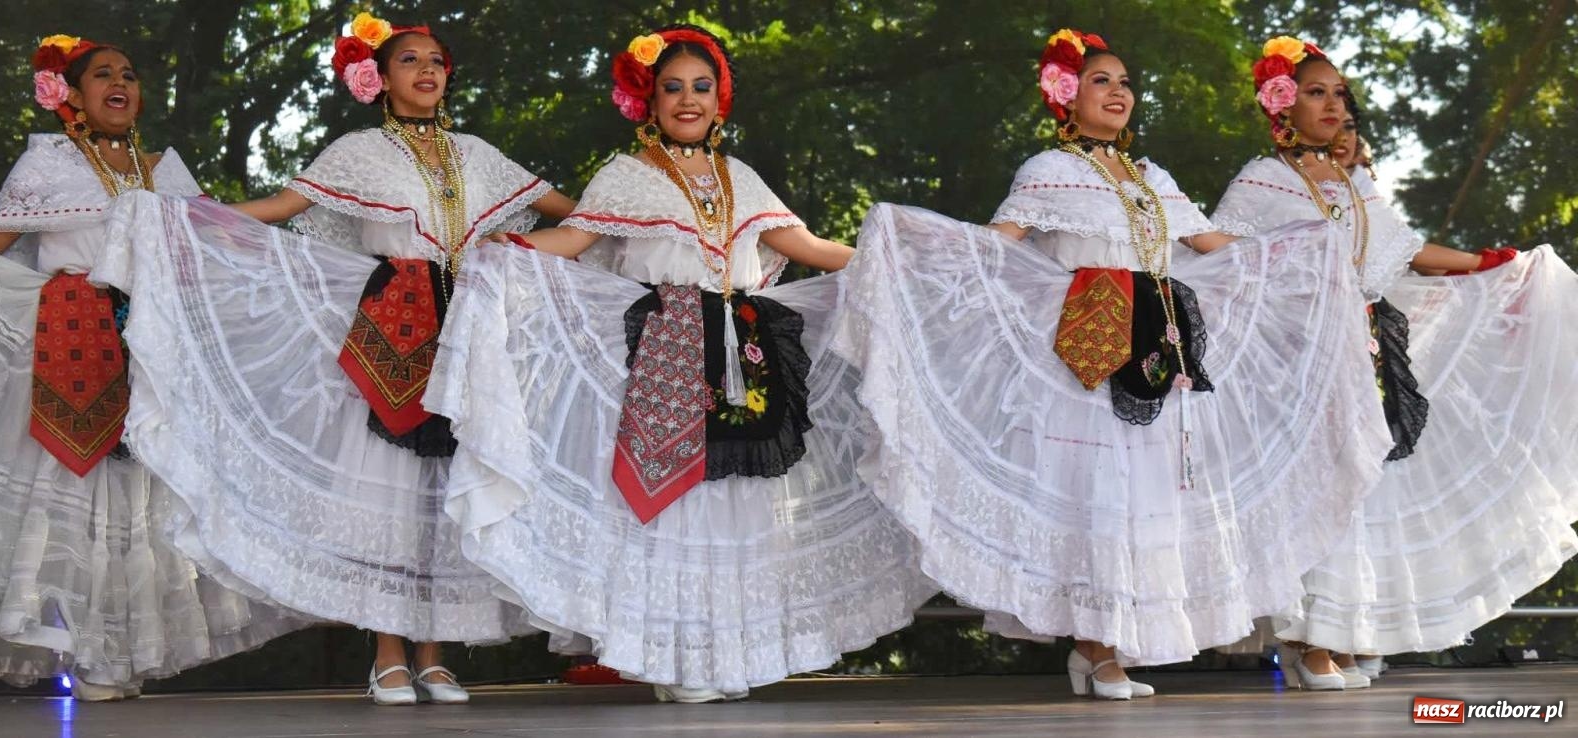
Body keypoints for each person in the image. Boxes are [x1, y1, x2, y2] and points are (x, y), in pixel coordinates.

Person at [825, 28, 1392, 700]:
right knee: (1100, 498)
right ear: (1066, 94)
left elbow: (1217, 248)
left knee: (1147, 497)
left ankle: (1113, 645)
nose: (1118, 92)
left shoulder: (1154, 179)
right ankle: (1096, 650)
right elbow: (993, 251)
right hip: (1088, 354)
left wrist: (1306, 255)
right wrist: (913, 243)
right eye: (1101, 80)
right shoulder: (1047, 171)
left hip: (1157, 346)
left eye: (1125, 82)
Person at [421, 23, 938, 703]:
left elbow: (806, 245)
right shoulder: (626, 177)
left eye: (701, 87)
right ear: (650, 101)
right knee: (673, 497)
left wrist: (899, 259)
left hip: (747, 352)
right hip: (668, 345)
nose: (688, 99)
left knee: (738, 499)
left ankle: (722, 654)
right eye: (673, 88)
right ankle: (673, 657)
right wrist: (506, 250)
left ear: (719, 102)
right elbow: (575, 239)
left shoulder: (741, 178)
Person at [98, 12, 574, 705]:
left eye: (437, 60)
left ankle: (436, 655)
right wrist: (177, 219)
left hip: (470, 334)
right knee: (388, 495)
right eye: (410, 60)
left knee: (448, 492)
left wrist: (635, 215)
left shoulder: (478, 154)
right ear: (377, 79)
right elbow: (283, 207)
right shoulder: (358, 154)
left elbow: (569, 212)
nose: (428, 71)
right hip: (394, 331)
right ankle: (387, 652)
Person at [1211, 36, 1578, 690]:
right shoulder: (1263, 180)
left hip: (1365, 347)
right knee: (1313, 485)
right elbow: (1228, 263)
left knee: (1361, 486)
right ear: (1281, 105)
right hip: (1297, 357)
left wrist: (1491, 265)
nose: (1332, 104)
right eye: (1315, 92)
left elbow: (1403, 252)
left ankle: (1339, 629)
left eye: (1339, 93)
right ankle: (1304, 635)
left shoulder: (1353, 183)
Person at [0, 34, 299, 702]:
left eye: (129, 74)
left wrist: (300, 201)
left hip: (151, 346)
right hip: (74, 341)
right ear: (71, 94)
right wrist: (30, 313)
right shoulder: (48, 164)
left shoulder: (162, 170)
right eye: (103, 74)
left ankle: (123, 656)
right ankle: (84, 652)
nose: (120, 82)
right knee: (75, 496)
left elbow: (215, 235)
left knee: (145, 496)